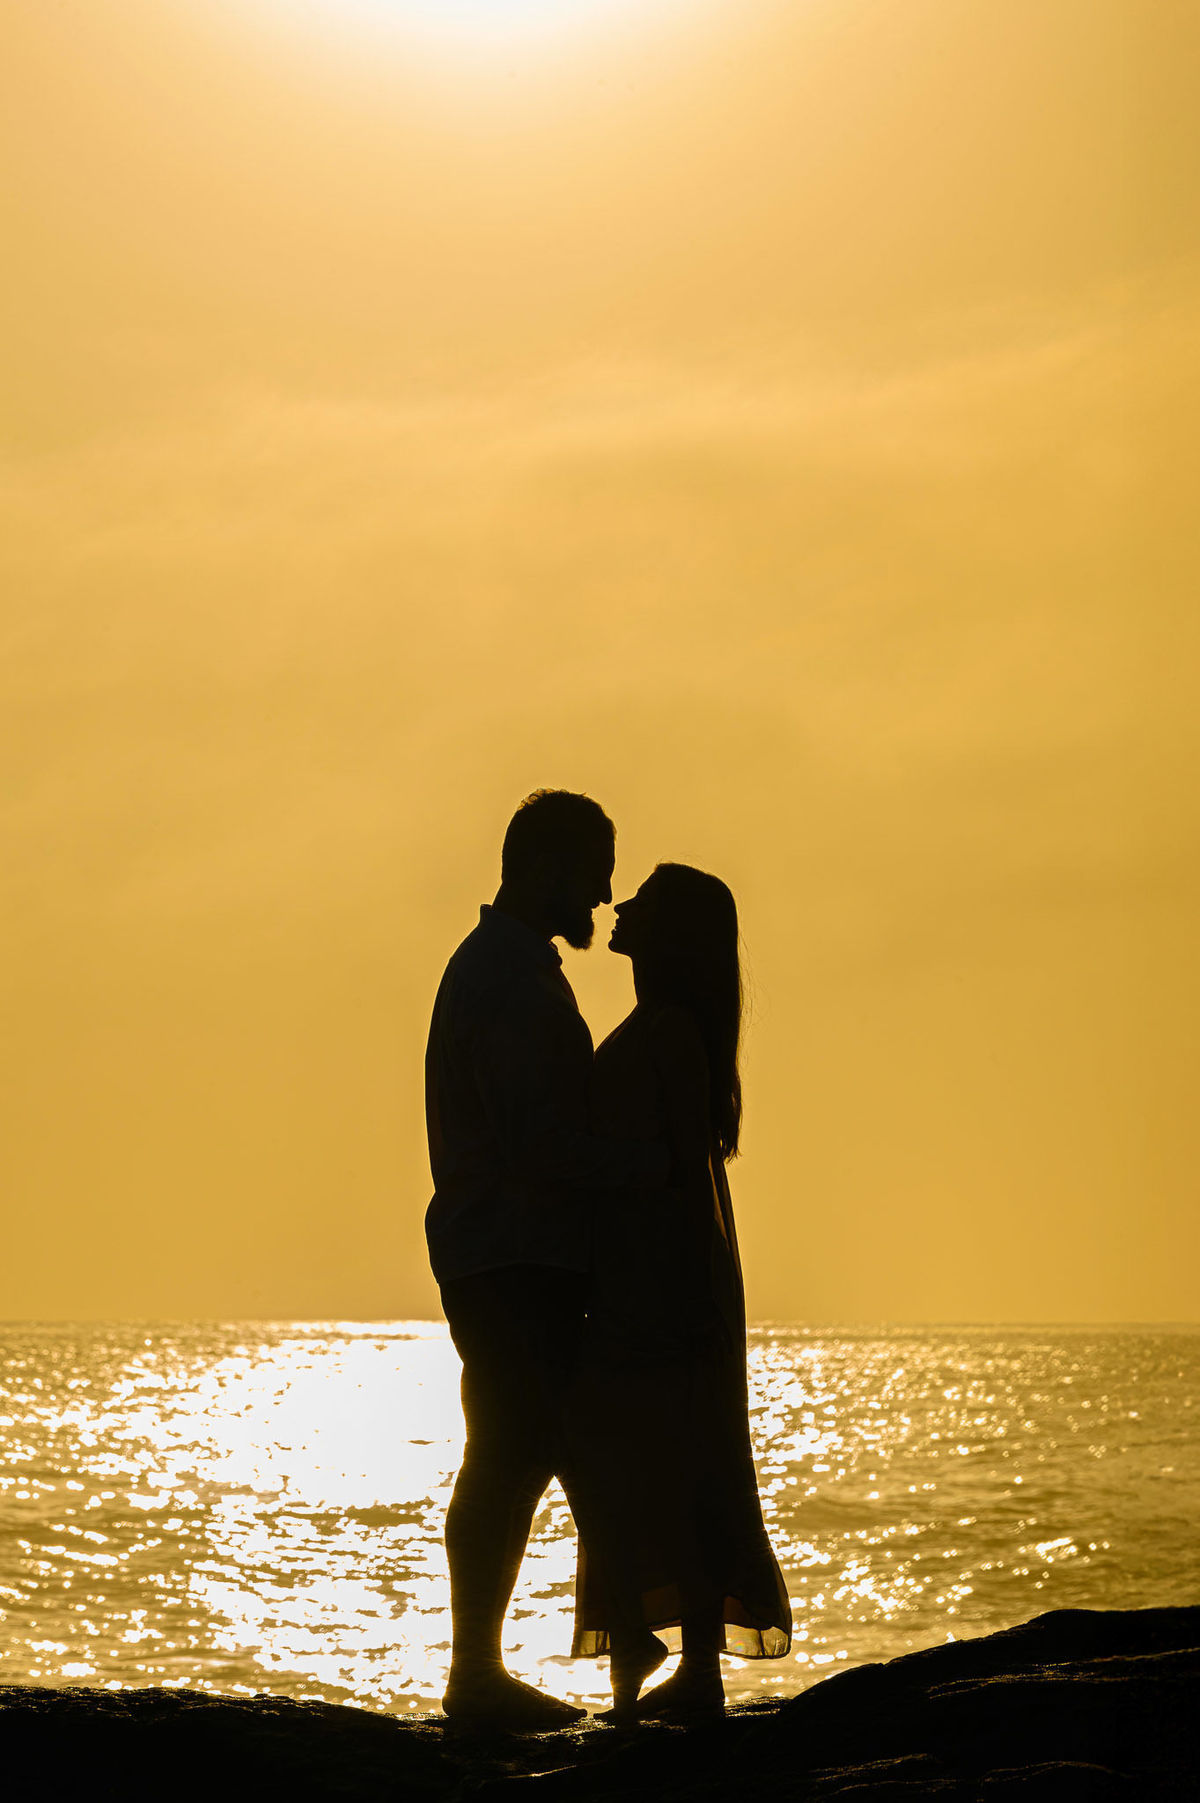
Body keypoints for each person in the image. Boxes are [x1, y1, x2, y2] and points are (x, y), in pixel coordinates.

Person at [424, 789, 669, 1730]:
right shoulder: (508, 978)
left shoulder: (512, 968)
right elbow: (540, 1141)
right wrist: (645, 1168)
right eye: (598, 869)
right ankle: (477, 1674)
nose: (606, 895)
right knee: (510, 1449)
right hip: (512, 1251)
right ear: (548, 867)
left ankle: (513, 1662)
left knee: (531, 1447)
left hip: (511, 1250)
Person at [568, 862, 792, 1719]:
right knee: (632, 1463)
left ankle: (685, 1666)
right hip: (636, 1278)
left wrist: (690, 1296)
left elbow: (686, 1175)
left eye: (646, 903)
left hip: (662, 1283)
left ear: (676, 934)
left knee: (670, 1461)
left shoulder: (667, 1034)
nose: (623, 907)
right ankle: (644, 1658)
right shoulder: (655, 1025)